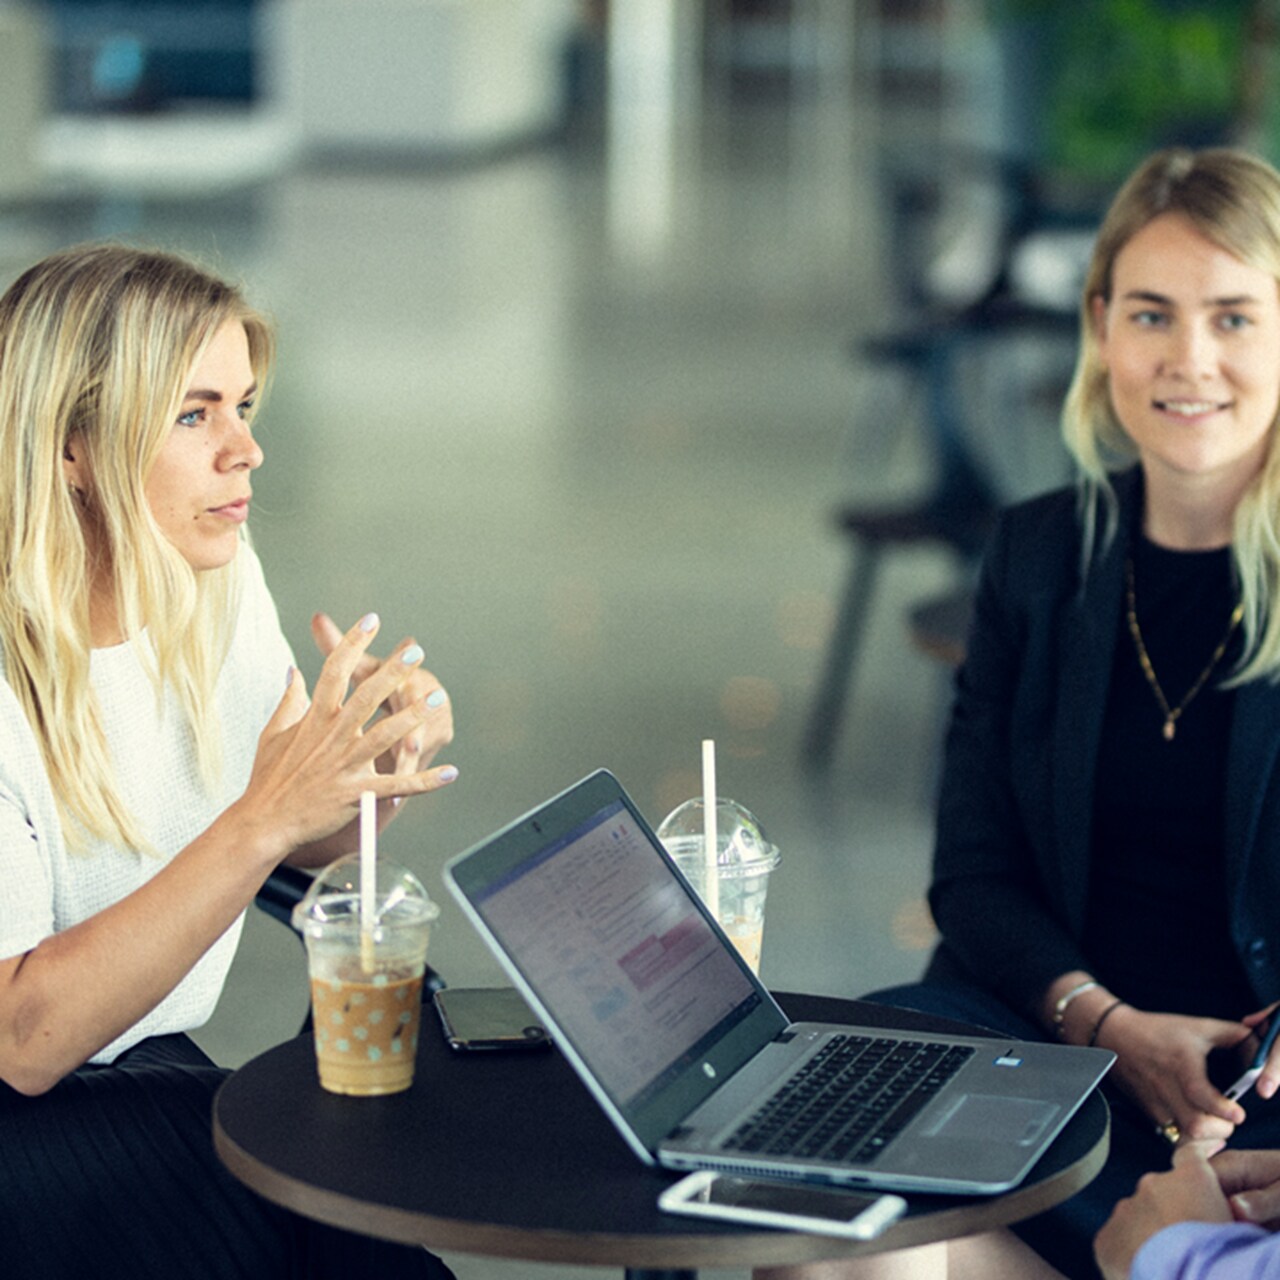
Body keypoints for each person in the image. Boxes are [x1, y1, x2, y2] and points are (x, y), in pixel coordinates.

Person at [775, 143, 1280, 1280]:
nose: (1187, 358)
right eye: (1149, 313)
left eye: (1234, 318)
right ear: (1099, 326)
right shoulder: (1037, 553)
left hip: (1245, 1119)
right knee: (811, 1199)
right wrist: (1105, 1022)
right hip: (1039, 1042)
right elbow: (973, 871)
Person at [0, 243, 459, 1279]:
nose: (245, 450)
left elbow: (300, 827)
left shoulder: (211, 574)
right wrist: (263, 816)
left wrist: (368, 766)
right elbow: (23, 1038)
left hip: (141, 1071)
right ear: (71, 444)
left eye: (244, 406)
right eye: (194, 413)